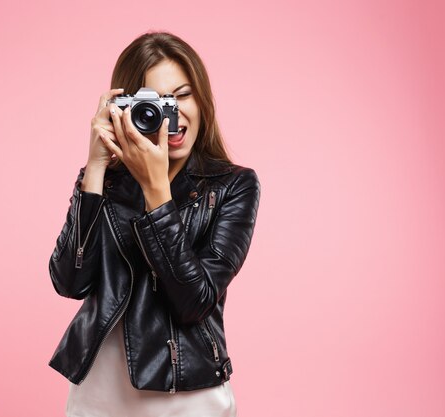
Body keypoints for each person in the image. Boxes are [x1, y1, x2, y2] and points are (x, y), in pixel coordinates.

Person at [48, 31, 261, 417]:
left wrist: (156, 190)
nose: (171, 114)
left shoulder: (233, 186)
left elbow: (193, 301)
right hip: (98, 393)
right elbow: (69, 282)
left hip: (189, 395)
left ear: (202, 99)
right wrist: (95, 168)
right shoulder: (104, 181)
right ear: (125, 108)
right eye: (155, 102)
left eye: (181, 96)